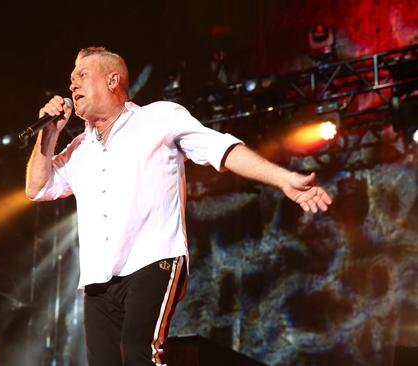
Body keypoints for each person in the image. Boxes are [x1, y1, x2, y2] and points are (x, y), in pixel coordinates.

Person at [25, 47, 332, 366]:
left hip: (153, 257)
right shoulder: (78, 149)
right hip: (98, 275)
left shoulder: (159, 117)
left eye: (82, 76)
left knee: (138, 351)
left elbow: (221, 148)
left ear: (113, 79)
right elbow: (37, 188)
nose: (72, 86)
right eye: (71, 79)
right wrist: (49, 134)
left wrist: (282, 178)